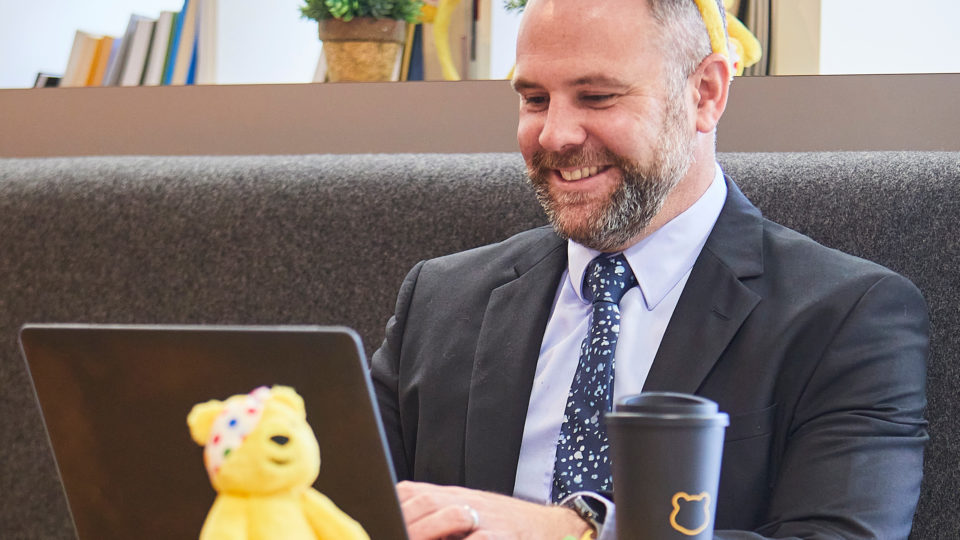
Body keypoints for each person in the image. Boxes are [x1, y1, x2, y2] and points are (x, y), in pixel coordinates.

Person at [370, 0, 929, 538]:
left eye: (596, 96)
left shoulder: (848, 317)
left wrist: (571, 531)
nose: (554, 134)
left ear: (706, 93)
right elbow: (334, 504)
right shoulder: (439, 299)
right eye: (535, 99)